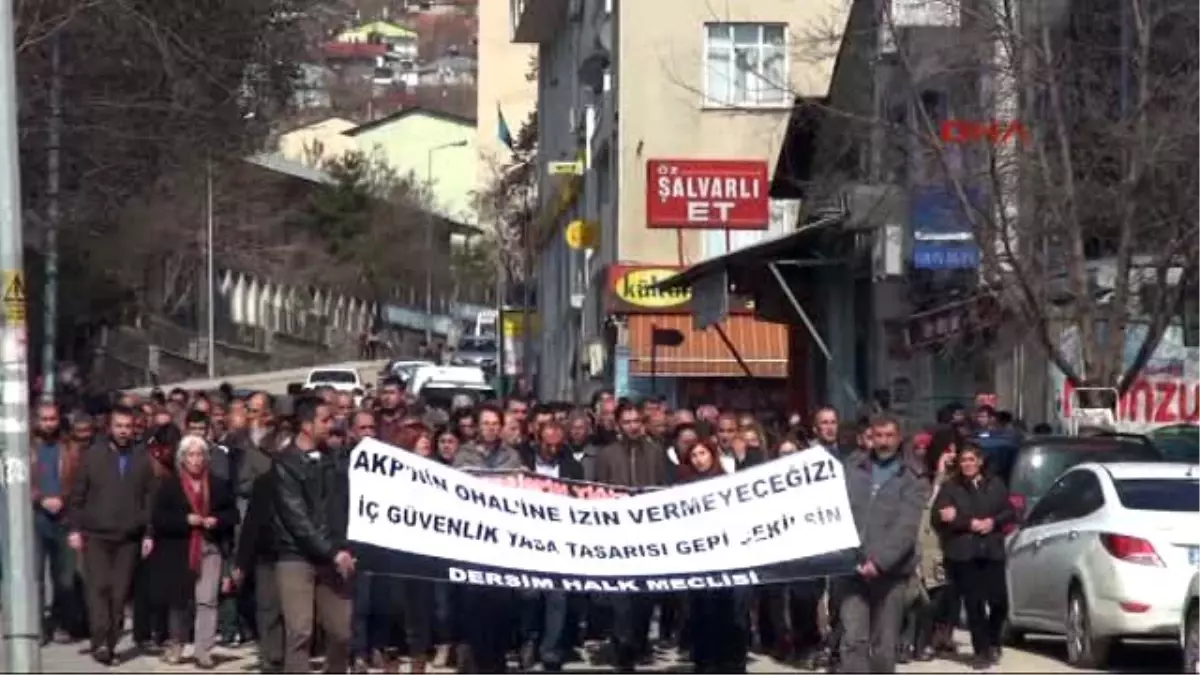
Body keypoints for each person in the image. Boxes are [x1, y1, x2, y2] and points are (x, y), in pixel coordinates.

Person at [839, 415, 930, 673]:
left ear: (899, 438)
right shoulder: (853, 468)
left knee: (883, 645)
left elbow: (906, 527)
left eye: (889, 436)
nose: (883, 442)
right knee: (853, 639)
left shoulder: (914, 476)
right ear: (870, 438)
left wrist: (878, 562)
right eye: (878, 436)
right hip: (852, 569)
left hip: (891, 574)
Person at [67, 405, 157, 665]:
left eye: (128, 427)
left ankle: (111, 642)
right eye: (119, 426)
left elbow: (149, 497)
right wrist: (75, 528)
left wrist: (148, 531)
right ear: (110, 427)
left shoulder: (141, 457)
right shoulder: (93, 455)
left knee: (118, 594)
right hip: (96, 535)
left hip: (128, 537)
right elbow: (77, 495)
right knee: (98, 589)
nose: (123, 431)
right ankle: (100, 643)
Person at [272, 397, 355, 674]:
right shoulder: (285, 464)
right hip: (296, 556)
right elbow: (298, 520)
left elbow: (342, 506)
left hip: (332, 554)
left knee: (342, 630)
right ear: (307, 425)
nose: (332, 425)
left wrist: (342, 547)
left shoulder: (333, 460)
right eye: (325, 420)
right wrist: (332, 552)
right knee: (300, 632)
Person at [150, 434, 239, 667]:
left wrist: (216, 520)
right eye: (191, 455)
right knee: (180, 601)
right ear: (182, 459)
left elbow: (233, 515)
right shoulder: (170, 486)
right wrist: (185, 520)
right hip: (180, 549)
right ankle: (176, 644)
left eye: (200, 455)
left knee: (207, 600)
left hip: (210, 547)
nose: (196, 460)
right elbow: (159, 519)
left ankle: (203, 650)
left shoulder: (218, 484)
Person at [594, 402, 669, 670]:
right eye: (627, 422)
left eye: (636, 420)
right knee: (621, 599)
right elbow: (597, 494)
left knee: (644, 598)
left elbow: (664, 490)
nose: (633, 426)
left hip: (648, 537)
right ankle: (622, 647)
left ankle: (638, 642)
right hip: (618, 536)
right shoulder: (606, 455)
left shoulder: (656, 453)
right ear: (618, 425)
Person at [931, 443, 1015, 668]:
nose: (967, 464)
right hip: (964, 553)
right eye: (963, 460)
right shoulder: (951, 487)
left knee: (999, 601)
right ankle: (981, 651)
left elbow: (1009, 511)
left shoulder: (995, 484)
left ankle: (993, 640)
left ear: (980, 461)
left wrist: (993, 522)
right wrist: (967, 522)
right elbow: (938, 518)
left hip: (991, 550)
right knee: (974, 603)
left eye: (971, 460)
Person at [677, 443, 745, 672]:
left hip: (727, 559)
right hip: (698, 561)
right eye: (693, 455)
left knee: (730, 612)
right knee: (701, 611)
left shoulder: (728, 483)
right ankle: (705, 660)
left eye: (702, 453)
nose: (698, 459)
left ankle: (732, 661)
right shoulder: (683, 487)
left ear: (712, 455)